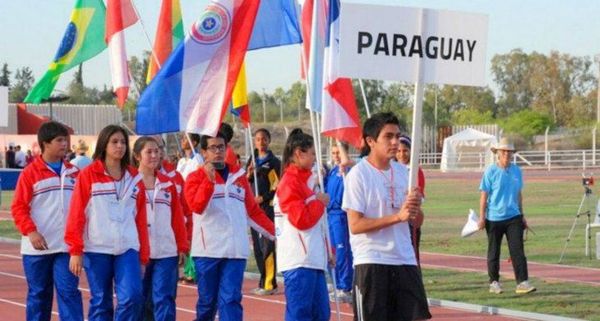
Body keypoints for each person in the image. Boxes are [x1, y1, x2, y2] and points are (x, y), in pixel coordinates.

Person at [342, 112, 431, 321]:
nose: (395, 142)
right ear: (370, 141)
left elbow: (416, 221)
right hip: (372, 261)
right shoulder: (359, 174)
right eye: (388, 136)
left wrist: (414, 209)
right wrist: (397, 217)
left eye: (397, 136)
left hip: (404, 260)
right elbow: (355, 225)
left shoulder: (404, 173)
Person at [184, 131, 275, 321]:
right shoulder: (194, 177)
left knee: (231, 300)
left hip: (234, 251)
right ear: (204, 152)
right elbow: (197, 207)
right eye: (213, 148)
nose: (218, 152)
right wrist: (208, 181)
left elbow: (253, 211)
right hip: (208, 251)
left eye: (221, 147)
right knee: (208, 303)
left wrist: (277, 234)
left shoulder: (239, 177)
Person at [65, 125, 150, 321]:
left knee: (132, 296)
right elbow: (76, 214)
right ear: (104, 145)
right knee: (101, 301)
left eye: (122, 142)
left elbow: (140, 219)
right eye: (114, 142)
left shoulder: (134, 178)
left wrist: (143, 255)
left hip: (128, 248)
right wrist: (75, 250)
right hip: (97, 248)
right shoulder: (88, 175)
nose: (119, 146)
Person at [11, 121, 84, 321]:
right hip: (37, 248)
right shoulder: (29, 174)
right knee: (39, 295)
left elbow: (83, 209)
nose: (65, 144)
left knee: (69, 292)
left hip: (65, 247)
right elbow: (18, 208)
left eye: (65, 140)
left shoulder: (74, 173)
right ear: (45, 144)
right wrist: (31, 231)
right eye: (59, 140)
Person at [275, 129, 331, 321]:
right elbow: (301, 220)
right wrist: (319, 202)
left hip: (314, 258)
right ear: (299, 153)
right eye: (313, 153)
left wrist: (327, 249)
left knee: (321, 314)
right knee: (300, 315)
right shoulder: (289, 182)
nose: (315, 158)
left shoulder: (308, 181)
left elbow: (318, 223)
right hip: (298, 260)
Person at [133, 137, 189, 321]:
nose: (154, 155)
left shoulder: (168, 184)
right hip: (138, 251)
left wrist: (182, 246)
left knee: (164, 298)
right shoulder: (129, 182)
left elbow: (177, 218)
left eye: (157, 151)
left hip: (166, 251)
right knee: (140, 299)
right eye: (149, 152)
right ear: (137, 156)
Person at [478, 137, 536, 295]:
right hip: (493, 218)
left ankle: (522, 282)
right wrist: (482, 217)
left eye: (509, 152)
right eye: (503, 151)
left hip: (514, 217)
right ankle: (494, 282)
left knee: (517, 250)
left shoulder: (517, 171)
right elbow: (484, 195)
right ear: (497, 153)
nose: (506, 154)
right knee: (493, 251)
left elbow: (518, 194)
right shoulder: (490, 171)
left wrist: (522, 214)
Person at [246, 128, 281, 296]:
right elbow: (245, 182)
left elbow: (277, 186)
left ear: (269, 141)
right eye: (258, 139)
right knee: (257, 248)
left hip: (266, 208)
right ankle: (262, 280)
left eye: (264, 139)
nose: (261, 142)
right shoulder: (251, 160)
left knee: (267, 246)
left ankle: (270, 283)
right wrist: (249, 173)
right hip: (252, 210)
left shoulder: (273, 162)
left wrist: (265, 197)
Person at [324, 141, 354, 303]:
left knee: (343, 251)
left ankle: (345, 286)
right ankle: (337, 283)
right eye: (333, 153)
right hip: (330, 215)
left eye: (338, 153)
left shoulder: (348, 171)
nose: (336, 156)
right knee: (331, 251)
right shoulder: (332, 171)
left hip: (341, 215)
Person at [395, 135, 426, 262]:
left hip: (410, 219)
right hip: (395, 219)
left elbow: (420, 195)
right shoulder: (390, 168)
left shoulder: (415, 171)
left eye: (405, 151)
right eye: (399, 151)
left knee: (412, 256)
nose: (402, 154)